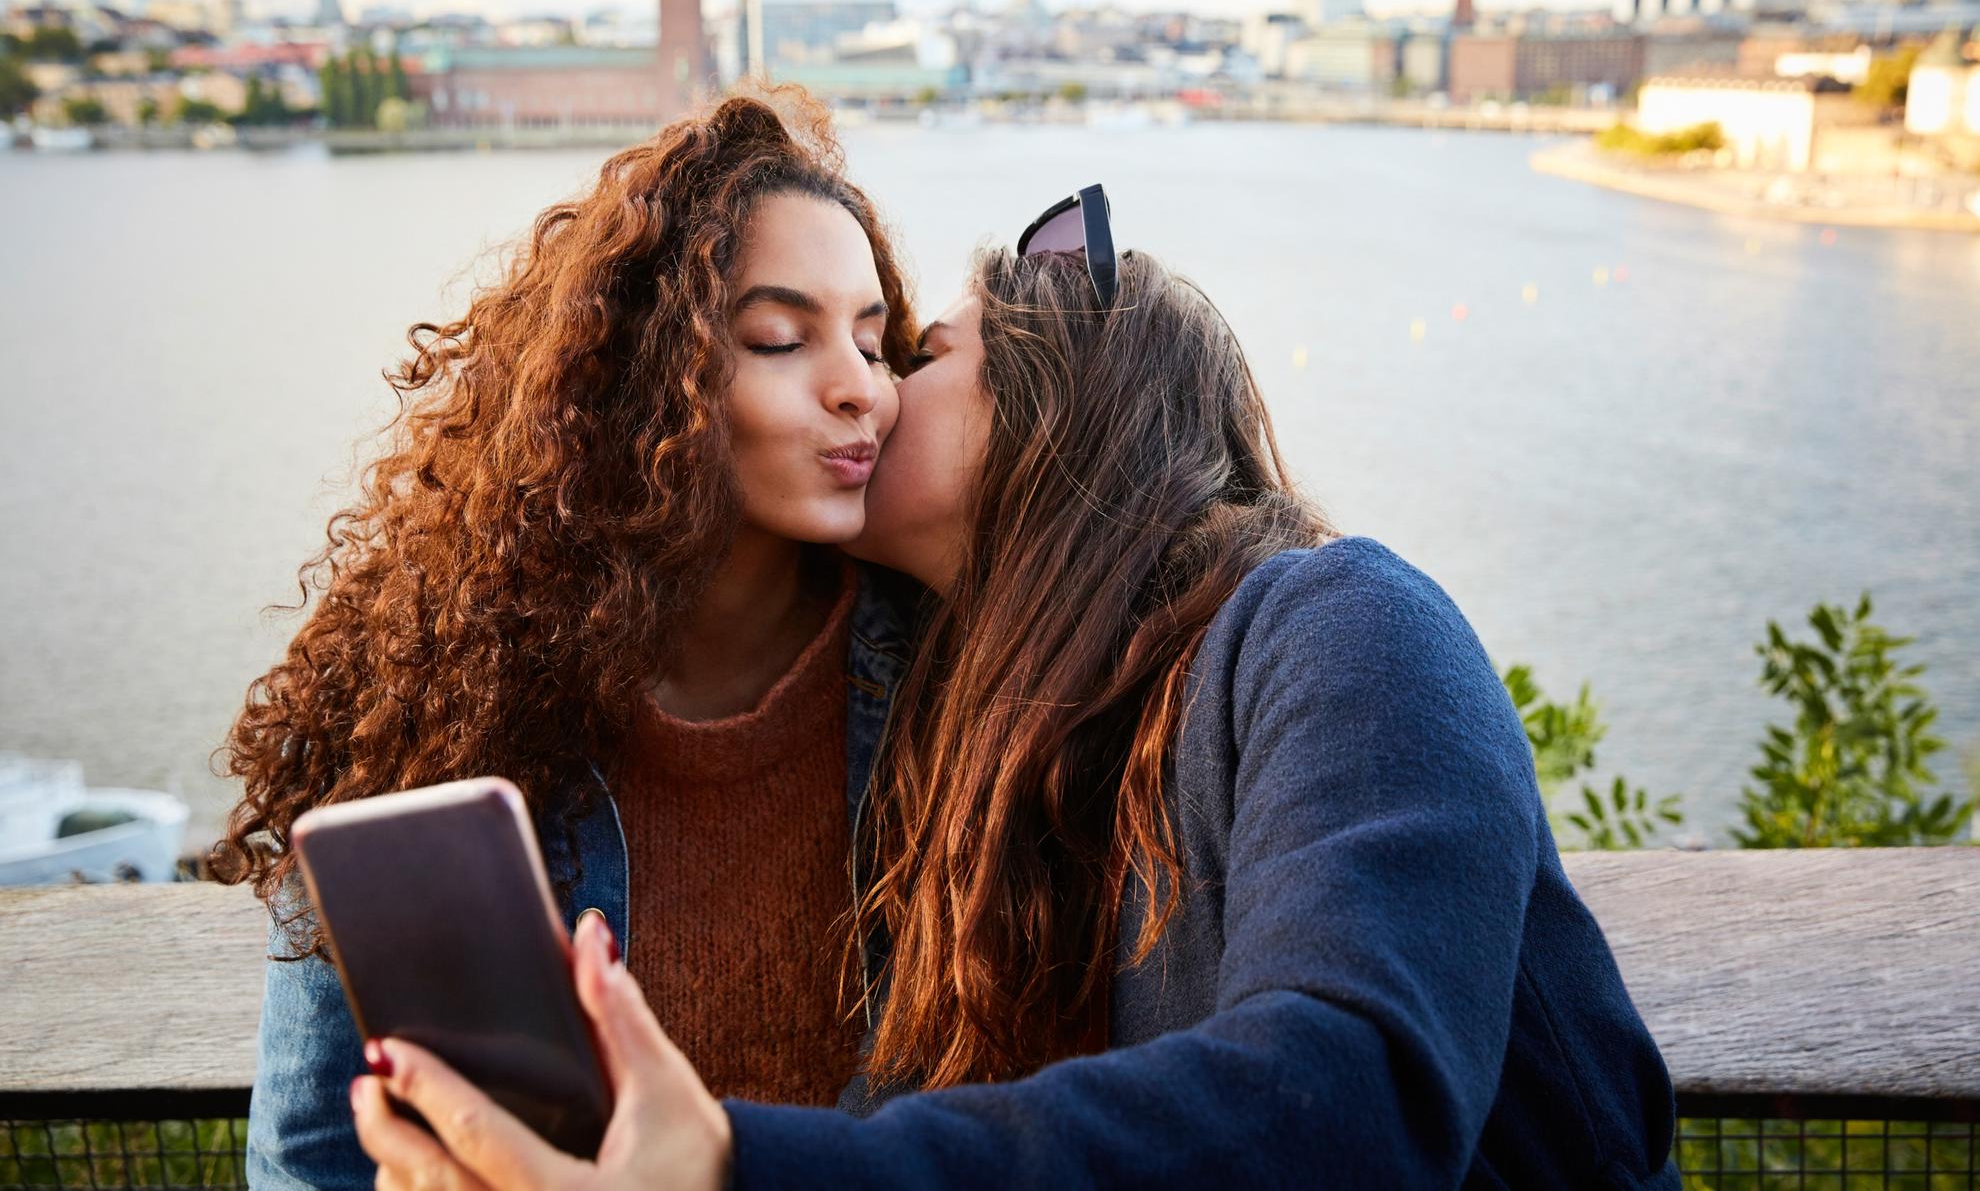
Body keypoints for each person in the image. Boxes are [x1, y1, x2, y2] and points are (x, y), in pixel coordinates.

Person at [351, 188, 1683, 1187]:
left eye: (914, 355)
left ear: (1051, 413)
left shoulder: (1340, 627)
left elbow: (1353, 1101)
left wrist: (729, 1167)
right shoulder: (999, 744)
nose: (865, 391)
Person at [215, 87, 928, 1190]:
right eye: (781, 339)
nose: (863, 393)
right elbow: (312, 1156)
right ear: (645, 382)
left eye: (876, 344)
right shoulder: (444, 696)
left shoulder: (950, 677)